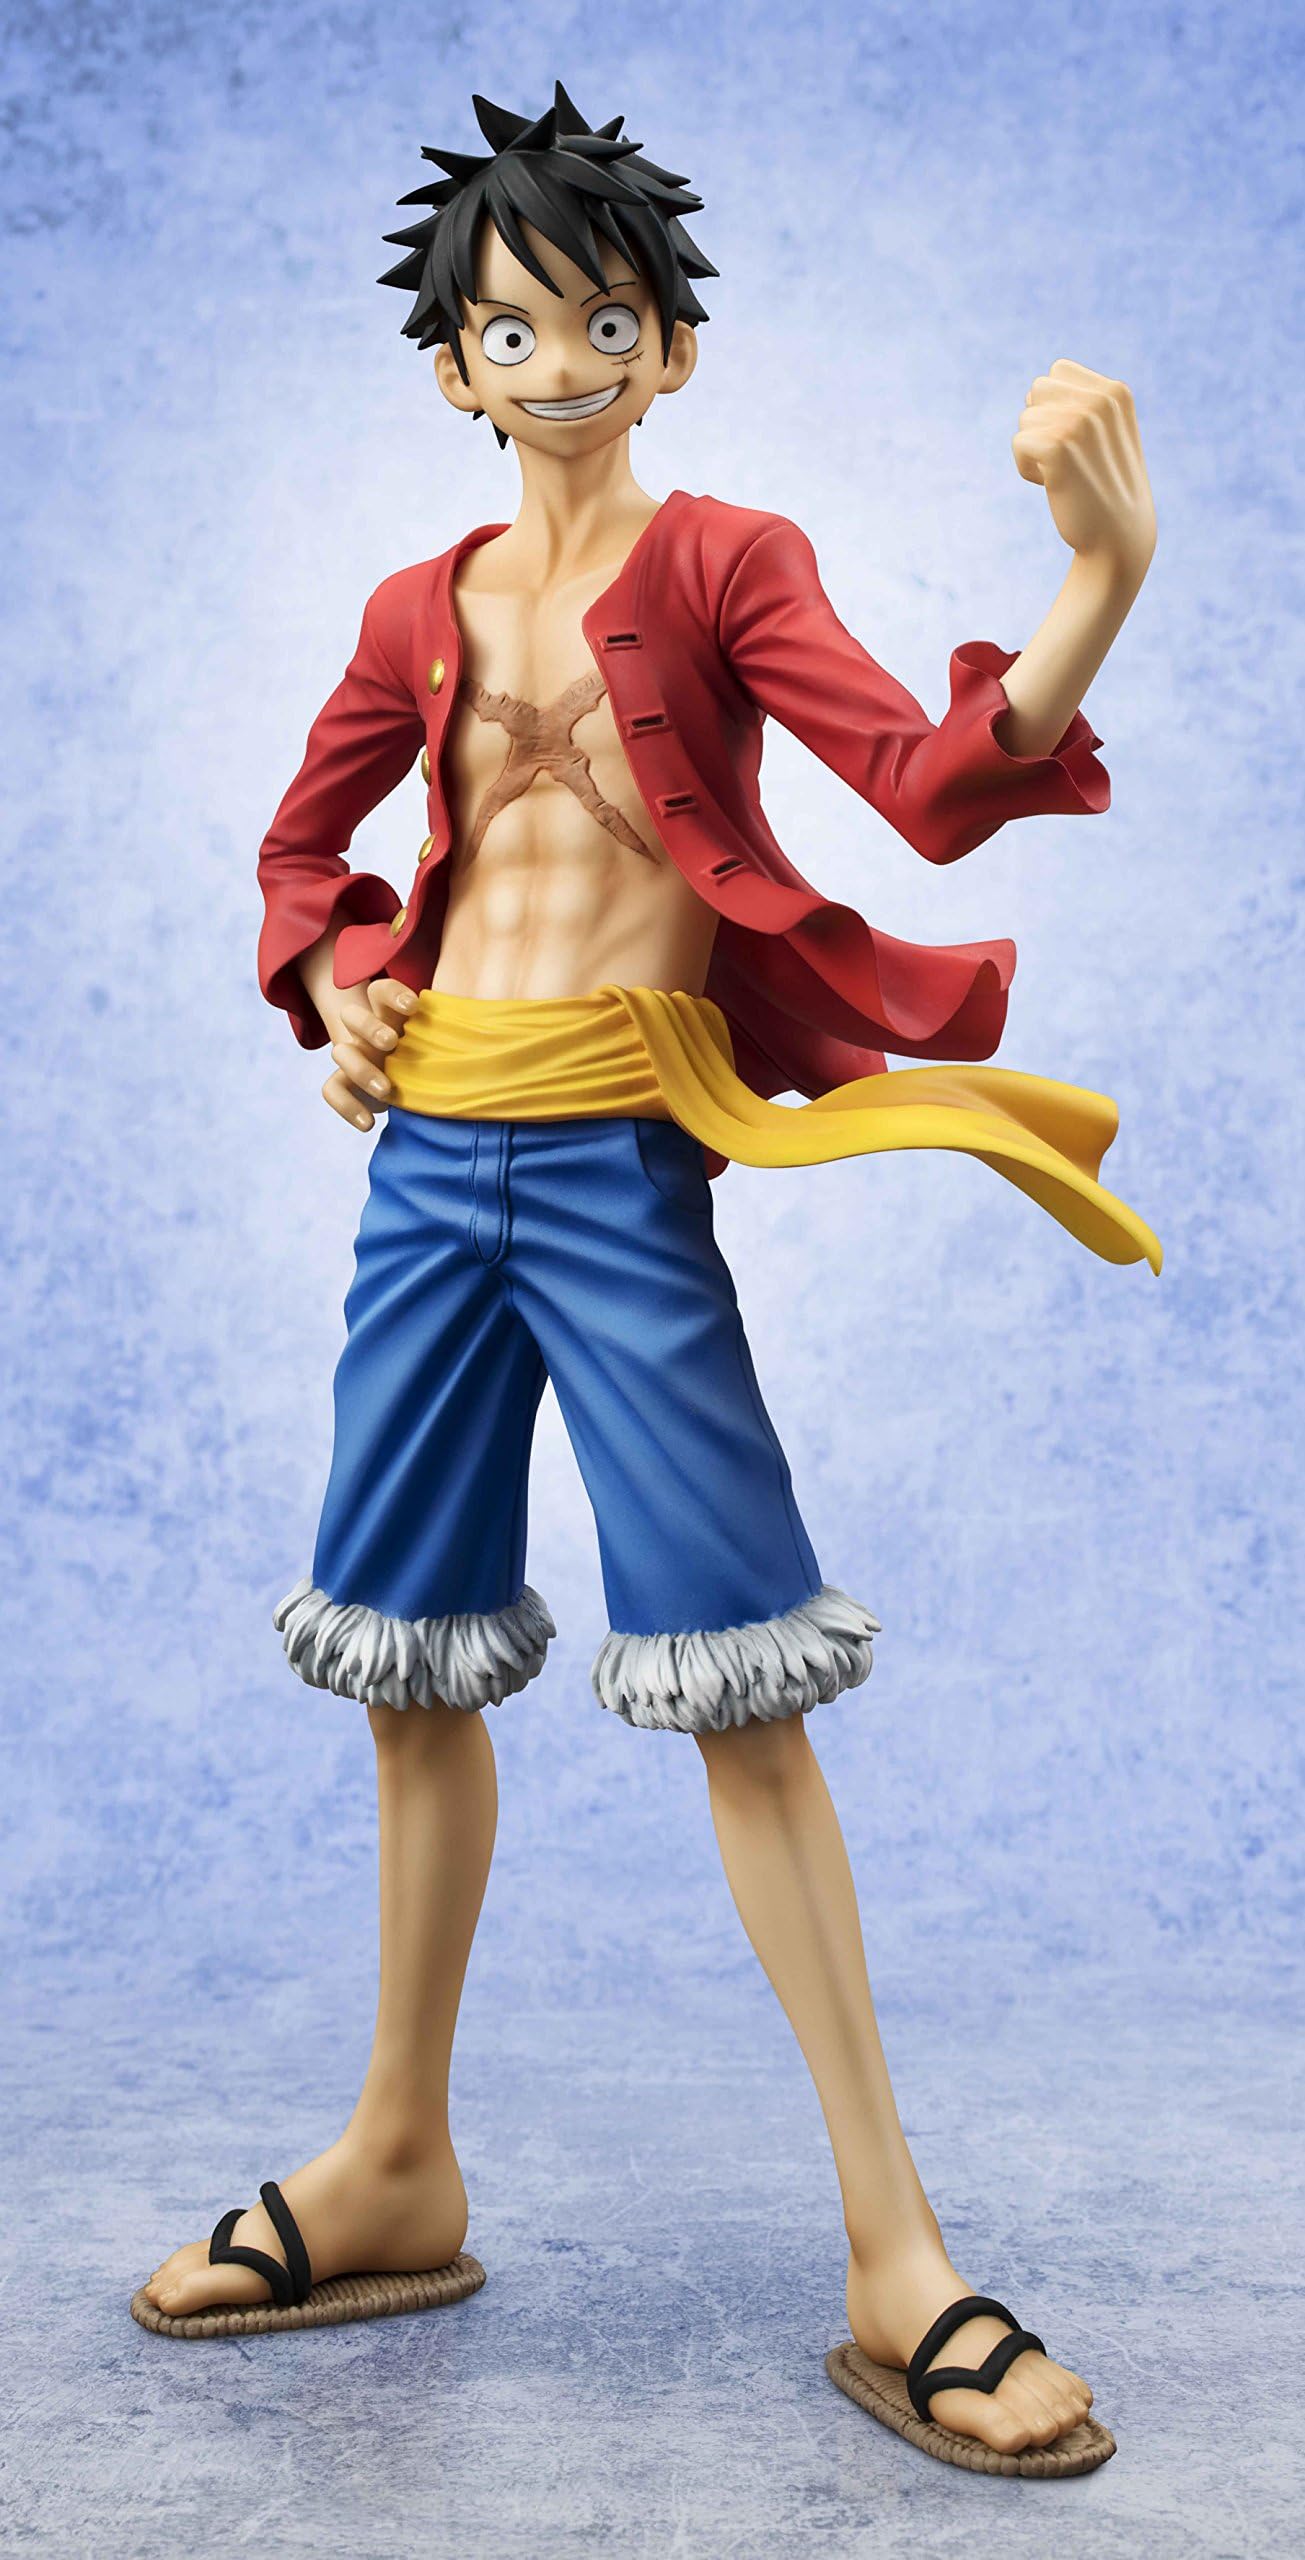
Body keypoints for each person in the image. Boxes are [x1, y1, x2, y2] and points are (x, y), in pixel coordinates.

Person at [137, 84, 1157, 2472]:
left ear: (666, 347)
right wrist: (341, 979)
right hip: (426, 1172)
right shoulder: (414, 609)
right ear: (452, 369)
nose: (558, 360)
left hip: (618, 1158)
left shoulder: (722, 564)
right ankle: (397, 2153)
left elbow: (924, 783)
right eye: (510, 329)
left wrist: (1098, 577)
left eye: (600, 319)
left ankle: (893, 2245)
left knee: (739, 1679)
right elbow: (298, 850)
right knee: (407, 1663)